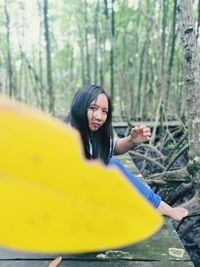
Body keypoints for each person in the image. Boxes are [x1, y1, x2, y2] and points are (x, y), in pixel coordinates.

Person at [67, 84, 188, 221]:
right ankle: (158, 206)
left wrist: (132, 140)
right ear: (79, 106)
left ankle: (153, 205)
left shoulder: (89, 131)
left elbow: (113, 147)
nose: (100, 117)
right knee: (112, 166)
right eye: (93, 108)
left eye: (104, 111)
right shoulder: (66, 136)